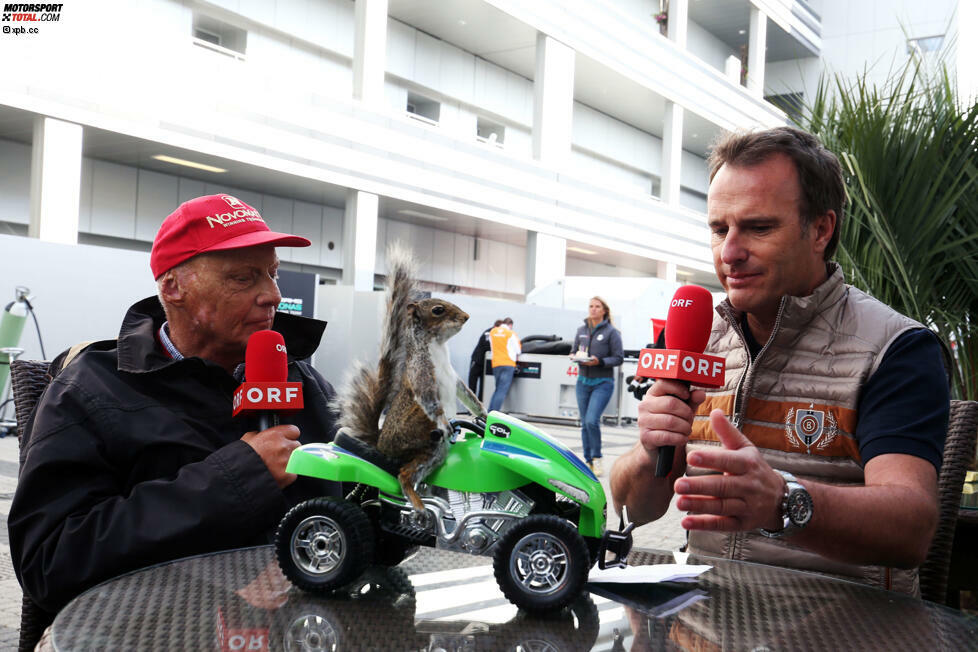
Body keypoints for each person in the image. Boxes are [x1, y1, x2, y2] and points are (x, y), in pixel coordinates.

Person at [610, 126, 949, 594]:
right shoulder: (693, 335)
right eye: (718, 229)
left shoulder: (896, 349)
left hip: (847, 627)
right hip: (705, 613)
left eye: (758, 227)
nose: (729, 252)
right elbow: (635, 511)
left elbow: (912, 529)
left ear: (821, 229)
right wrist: (650, 450)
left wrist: (785, 502)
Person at [8, 194, 343, 613]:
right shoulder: (91, 389)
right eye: (244, 278)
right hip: (159, 630)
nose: (272, 295)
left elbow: (361, 507)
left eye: (273, 274)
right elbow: (50, 560)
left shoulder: (303, 380)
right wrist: (234, 479)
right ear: (173, 287)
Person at [572, 297, 623, 476]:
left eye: (597, 306)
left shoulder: (611, 332)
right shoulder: (581, 330)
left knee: (592, 420)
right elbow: (574, 350)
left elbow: (618, 358)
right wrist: (574, 356)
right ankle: (587, 461)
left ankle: (597, 458)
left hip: (603, 383)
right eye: (591, 306)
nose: (593, 309)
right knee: (585, 423)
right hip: (583, 382)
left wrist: (599, 361)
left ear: (604, 310)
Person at [487, 318, 520, 413]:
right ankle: (495, 413)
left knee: (498, 389)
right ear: (510, 325)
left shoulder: (492, 332)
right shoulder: (510, 333)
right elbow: (518, 350)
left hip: (496, 364)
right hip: (508, 363)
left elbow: (492, 346)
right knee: (502, 391)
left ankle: (490, 412)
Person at [468, 320, 499, 402]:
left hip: (485, 363)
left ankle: (480, 404)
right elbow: (487, 345)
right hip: (477, 361)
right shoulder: (488, 333)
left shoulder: (496, 334)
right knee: (472, 384)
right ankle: (471, 404)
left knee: (483, 386)